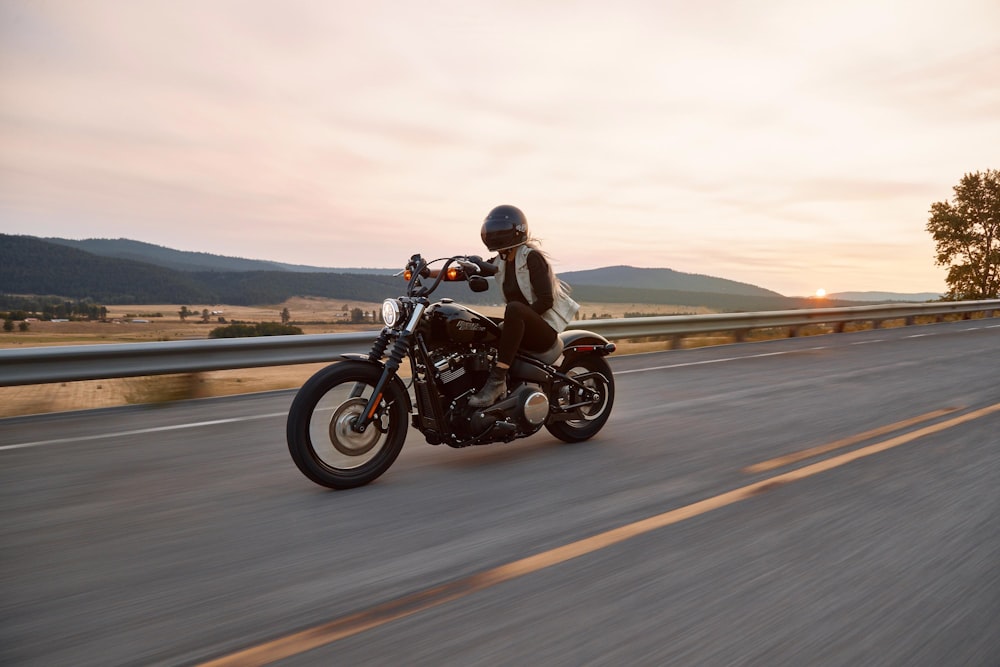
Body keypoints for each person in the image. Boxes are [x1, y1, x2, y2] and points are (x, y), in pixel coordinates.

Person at [469, 205, 579, 407]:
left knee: (514, 309)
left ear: (515, 231)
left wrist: (521, 319)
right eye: (493, 230)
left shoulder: (531, 258)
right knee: (479, 325)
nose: (494, 235)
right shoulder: (501, 259)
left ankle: (497, 380)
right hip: (524, 324)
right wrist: (426, 272)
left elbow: (546, 301)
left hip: (543, 331)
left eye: (500, 230)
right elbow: (470, 271)